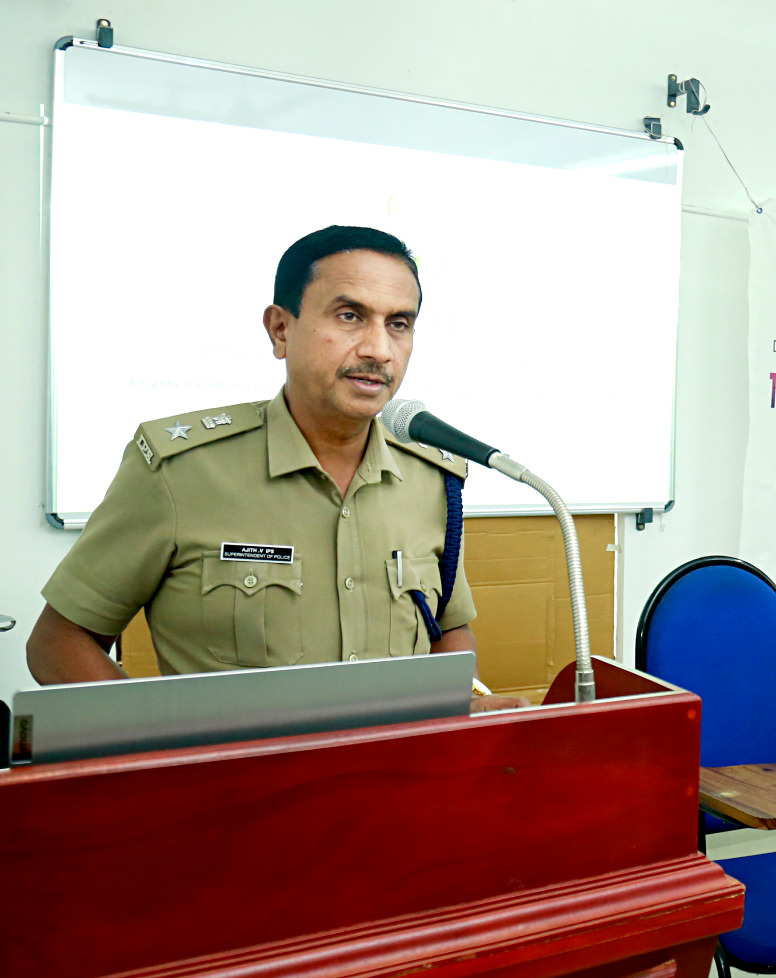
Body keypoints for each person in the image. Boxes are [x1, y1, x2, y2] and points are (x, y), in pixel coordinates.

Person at [27, 225, 527, 711]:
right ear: (281, 329)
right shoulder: (181, 471)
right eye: (350, 316)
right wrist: (159, 742)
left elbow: (448, 629)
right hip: (239, 769)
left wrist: (460, 704)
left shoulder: (431, 476)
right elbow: (58, 642)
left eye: (398, 324)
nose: (378, 349)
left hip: (392, 766)